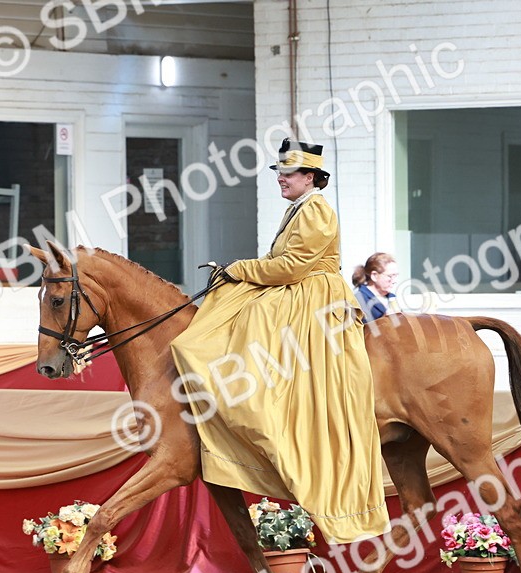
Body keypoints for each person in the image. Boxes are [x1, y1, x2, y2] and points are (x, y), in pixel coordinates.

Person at [170, 139, 389, 546]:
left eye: (287, 174)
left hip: (313, 294)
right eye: (279, 174)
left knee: (248, 318)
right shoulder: (300, 208)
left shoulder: (317, 209)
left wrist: (238, 268)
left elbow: (290, 267)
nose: (281, 181)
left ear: (310, 178)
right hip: (298, 288)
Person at [352, 252, 399, 321]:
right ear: (374, 276)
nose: (395, 281)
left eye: (396, 275)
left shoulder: (391, 297)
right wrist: (383, 320)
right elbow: (361, 330)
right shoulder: (359, 300)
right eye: (390, 276)